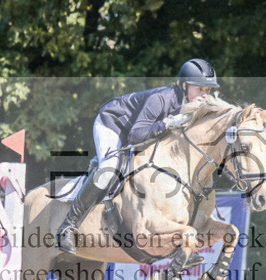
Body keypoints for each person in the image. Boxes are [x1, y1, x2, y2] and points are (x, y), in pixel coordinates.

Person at [56, 58, 219, 254]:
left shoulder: (193, 109)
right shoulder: (162, 99)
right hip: (113, 124)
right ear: (184, 86)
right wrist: (166, 124)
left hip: (140, 133)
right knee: (110, 171)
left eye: (207, 90)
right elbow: (135, 135)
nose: (204, 95)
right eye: (199, 89)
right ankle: (68, 226)